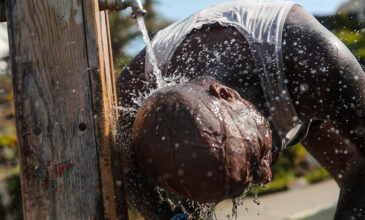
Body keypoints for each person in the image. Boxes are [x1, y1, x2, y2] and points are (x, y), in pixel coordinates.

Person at [116, 0, 365, 219]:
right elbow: (124, 175)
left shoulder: (315, 62)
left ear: (227, 95)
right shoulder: (128, 100)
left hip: (289, 72)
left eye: (255, 159)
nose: (266, 177)